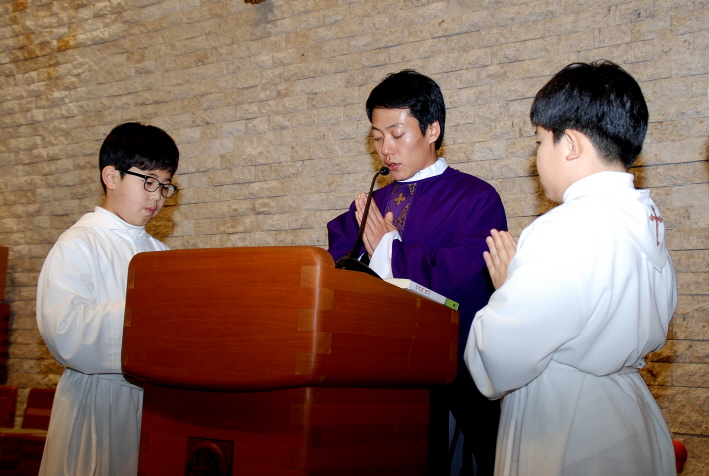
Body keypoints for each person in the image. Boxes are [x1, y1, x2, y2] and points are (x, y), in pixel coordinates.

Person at [464, 61, 677, 476]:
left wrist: (506, 290)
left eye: (540, 141)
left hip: (568, 430)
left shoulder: (565, 228)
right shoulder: (645, 222)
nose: (537, 156)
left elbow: (494, 362)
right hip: (630, 416)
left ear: (571, 144)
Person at [327, 70, 507, 476]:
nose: (385, 150)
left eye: (396, 134)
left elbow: (467, 281)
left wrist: (389, 250)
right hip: (375, 379)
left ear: (432, 130)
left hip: (449, 383)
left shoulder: (475, 198)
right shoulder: (371, 205)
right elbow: (337, 271)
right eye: (377, 137)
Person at [36, 122, 180, 476]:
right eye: (148, 181)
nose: (157, 197)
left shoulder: (162, 254)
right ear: (111, 176)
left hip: (154, 403)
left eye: (165, 185)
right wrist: (148, 317)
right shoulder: (78, 243)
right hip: (96, 400)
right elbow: (65, 332)